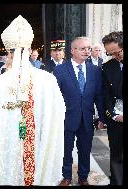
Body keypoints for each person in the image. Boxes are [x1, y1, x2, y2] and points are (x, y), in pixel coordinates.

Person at [0, 15, 66, 186]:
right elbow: (58, 115)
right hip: (38, 144)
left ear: (9, 53)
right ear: (29, 50)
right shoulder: (47, 79)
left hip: (9, 147)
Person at [53, 37, 105, 186]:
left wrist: (101, 117)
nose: (87, 51)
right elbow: (55, 97)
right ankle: (66, 176)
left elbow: (98, 95)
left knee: (85, 150)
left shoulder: (95, 70)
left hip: (87, 118)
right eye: (82, 48)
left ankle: (83, 177)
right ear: (72, 50)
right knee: (66, 150)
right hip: (66, 119)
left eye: (88, 48)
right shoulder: (60, 70)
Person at [101, 31, 123, 185]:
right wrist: (114, 115)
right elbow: (106, 95)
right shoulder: (107, 67)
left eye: (117, 52)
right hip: (116, 119)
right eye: (111, 54)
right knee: (116, 156)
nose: (115, 56)